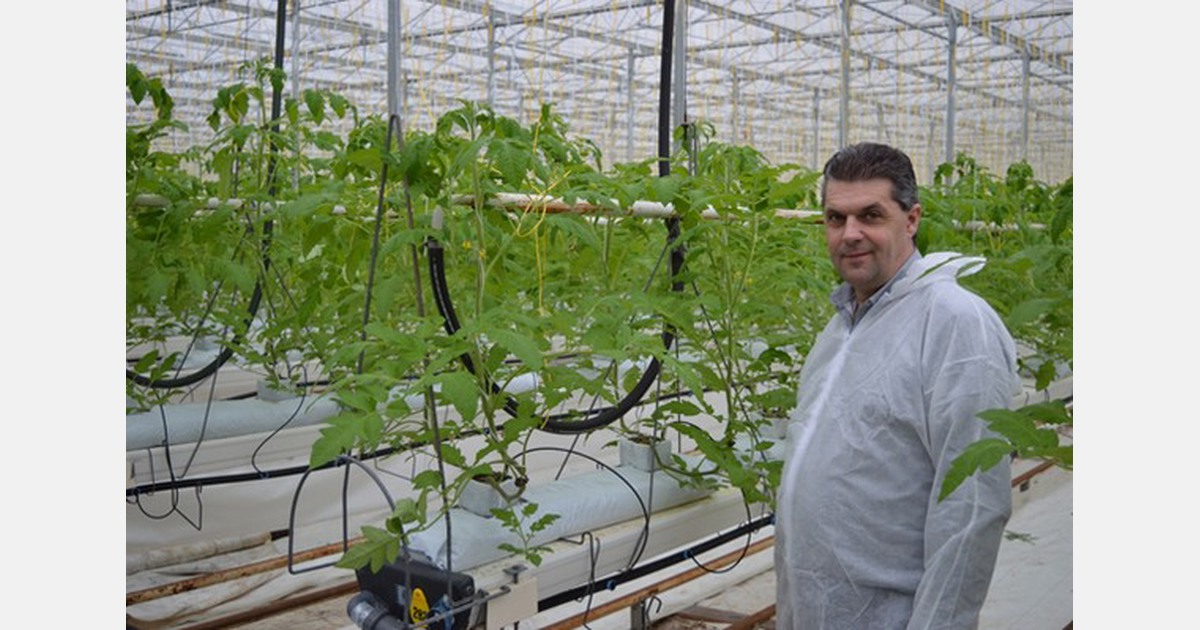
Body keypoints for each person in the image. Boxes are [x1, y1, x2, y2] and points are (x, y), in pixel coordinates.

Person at [774, 142, 1018, 629]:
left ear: (911, 220)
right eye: (836, 218)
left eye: (870, 215)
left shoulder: (953, 321)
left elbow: (972, 507)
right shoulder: (839, 327)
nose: (850, 234)